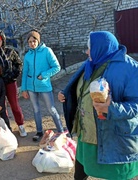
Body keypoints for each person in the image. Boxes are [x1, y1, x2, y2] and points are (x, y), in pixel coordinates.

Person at [58, 31, 138, 180]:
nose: (87, 51)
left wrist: (111, 108)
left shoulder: (131, 69)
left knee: (118, 175)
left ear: (101, 48)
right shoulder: (91, 63)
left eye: (90, 48)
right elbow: (81, 88)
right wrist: (66, 94)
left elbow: (135, 105)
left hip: (114, 138)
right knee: (81, 172)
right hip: (87, 133)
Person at [21, 29, 64, 141]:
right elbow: (25, 72)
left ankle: (61, 131)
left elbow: (57, 67)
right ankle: (39, 131)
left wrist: (44, 75)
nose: (32, 44)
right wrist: (24, 89)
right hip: (31, 87)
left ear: (38, 41)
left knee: (51, 109)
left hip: (44, 86)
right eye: (30, 42)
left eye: (34, 41)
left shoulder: (46, 51)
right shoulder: (27, 56)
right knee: (35, 109)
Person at [0, 30, 26, 137]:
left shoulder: (10, 52)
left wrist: (13, 75)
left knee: (14, 105)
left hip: (10, 83)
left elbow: (19, 64)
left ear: (3, 40)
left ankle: (20, 125)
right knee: (1, 106)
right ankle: (5, 127)